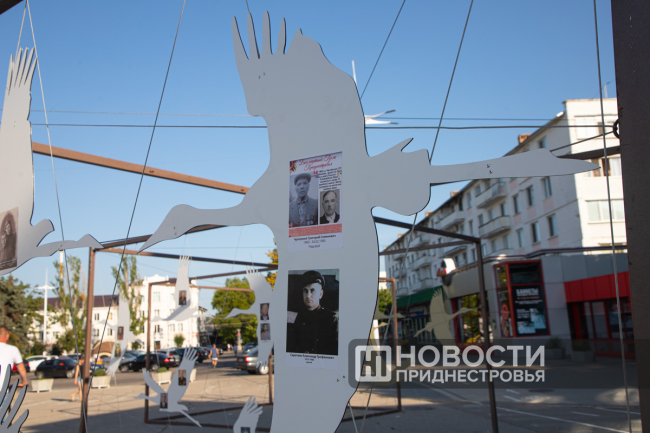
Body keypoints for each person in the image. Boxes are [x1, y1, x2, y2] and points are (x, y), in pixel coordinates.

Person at [286, 271, 338, 355]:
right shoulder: (299, 317)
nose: (308, 296)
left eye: (312, 291)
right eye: (305, 291)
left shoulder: (331, 319)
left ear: (320, 294)